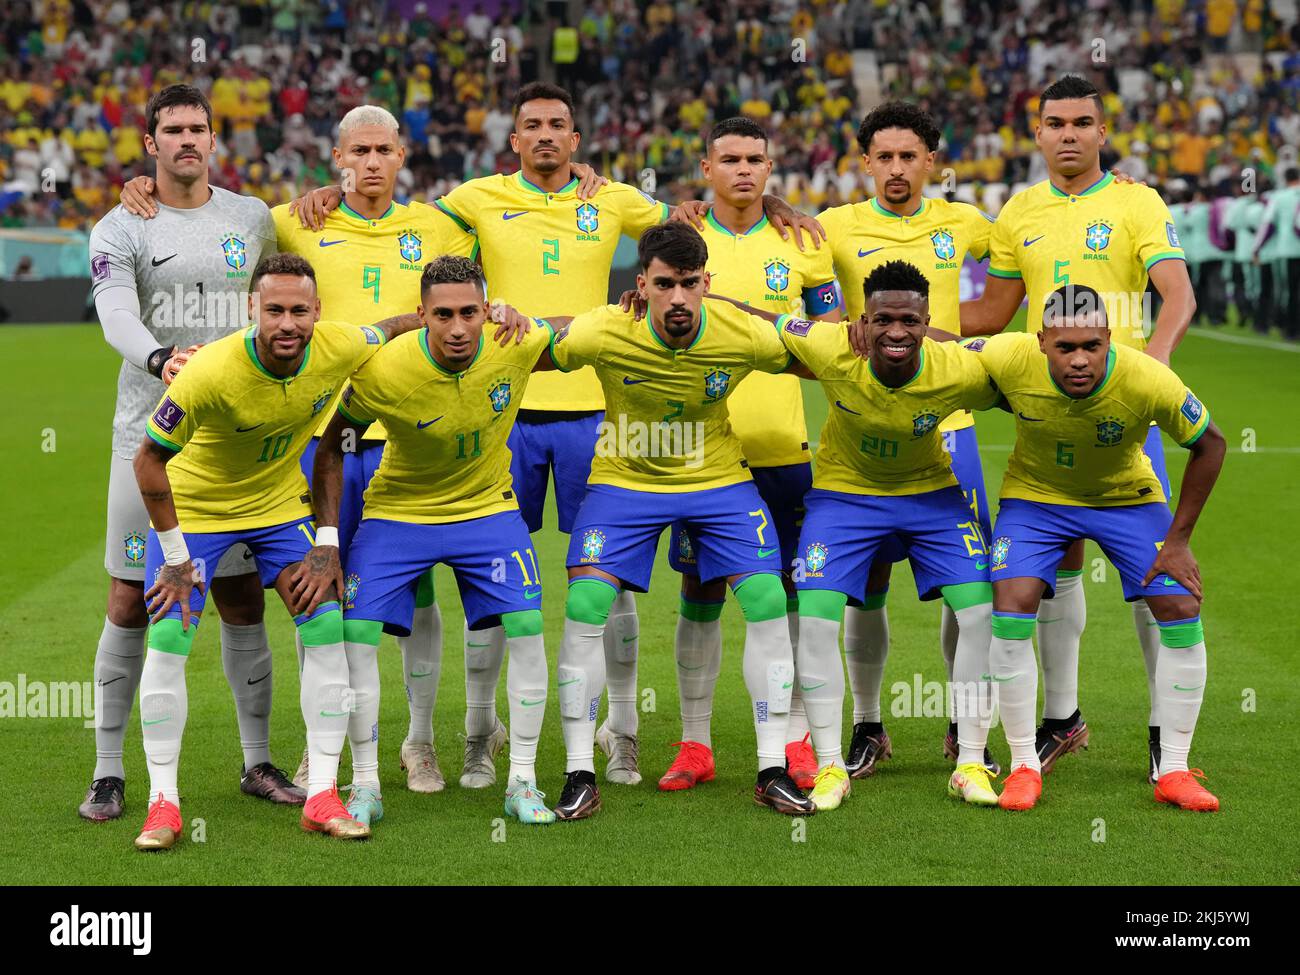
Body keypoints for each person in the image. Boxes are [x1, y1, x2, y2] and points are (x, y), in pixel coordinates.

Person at [130, 252, 419, 849]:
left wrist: (486, 313)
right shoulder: (209, 372)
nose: (287, 323)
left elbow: (392, 327)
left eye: (299, 310)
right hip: (199, 509)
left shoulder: (340, 344)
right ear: (251, 310)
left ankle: (323, 795)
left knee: (326, 625)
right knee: (169, 635)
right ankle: (164, 804)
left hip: (279, 507)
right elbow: (148, 460)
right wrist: (177, 557)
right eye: (274, 310)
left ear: (318, 311)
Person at [961, 74, 1196, 782]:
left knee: (1154, 577)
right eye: (1055, 122)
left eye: (1082, 122)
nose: (1069, 133)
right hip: (1045, 416)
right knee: (1054, 566)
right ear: (1036, 133)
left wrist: (1153, 369)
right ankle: (1062, 719)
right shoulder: (1019, 211)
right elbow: (991, 315)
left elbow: (1178, 292)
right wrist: (894, 326)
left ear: (1102, 131)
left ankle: (1166, 739)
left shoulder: (1136, 201)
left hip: (1122, 416)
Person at [542, 222, 816, 820]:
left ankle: (770, 766)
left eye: (690, 284)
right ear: (640, 285)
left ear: (706, 284)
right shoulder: (606, 328)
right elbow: (529, 350)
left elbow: (822, 354)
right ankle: (578, 771)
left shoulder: (739, 330)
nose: (678, 299)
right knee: (587, 605)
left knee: (768, 596)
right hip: (624, 480)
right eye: (664, 285)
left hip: (716, 479)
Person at [84, 84, 293, 824]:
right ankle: (110, 772)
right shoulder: (119, 225)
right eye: (171, 129)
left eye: (197, 128)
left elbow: (287, 290)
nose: (186, 140)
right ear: (150, 141)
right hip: (147, 440)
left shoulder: (251, 216)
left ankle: (257, 760)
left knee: (240, 599)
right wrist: (160, 356)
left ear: (214, 138)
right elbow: (113, 313)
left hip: (237, 446)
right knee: (129, 598)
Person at [309, 256, 561, 825]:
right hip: (399, 512)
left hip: (486, 509)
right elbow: (332, 447)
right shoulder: (384, 371)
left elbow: (574, 332)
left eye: (469, 313)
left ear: (487, 310)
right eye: (441, 314)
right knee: (356, 632)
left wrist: (634, 308)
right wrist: (328, 537)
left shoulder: (513, 341)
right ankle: (367, 781)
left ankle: (522, 779)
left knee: (525, 625)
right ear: (420, 315)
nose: (456, 328)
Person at [968, 283, 1225, 813]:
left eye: (1092, 345)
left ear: (1110, 338)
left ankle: (1173, 769)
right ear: (1040, 343)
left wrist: (1177, 541)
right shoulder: (1007, 354)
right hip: (1036, 498)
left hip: (1125, 497)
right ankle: (1023, 766)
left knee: (1180, 605)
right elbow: (939, 349)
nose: (1080, 359)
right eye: (1065, 348)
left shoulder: (1149, 378)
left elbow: (1211, 444)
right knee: (1010, 605)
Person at [655, 116, 843, 794]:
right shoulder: (681, 241)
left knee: (788, 597)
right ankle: (695, 743)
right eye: (728, 158)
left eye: (754, 159)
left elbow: (830, 347)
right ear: (705, 168)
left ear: (771, 169)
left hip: (782, 448)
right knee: (701, 591)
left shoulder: (803, 243)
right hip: (702, 456)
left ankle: (793, 739)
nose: (742, 169)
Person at [818, 101, 1000, 780]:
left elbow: (1024, 264)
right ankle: (868, 724)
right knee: (865, 586)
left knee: (967, 584)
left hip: (950, 430)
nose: (897, 169)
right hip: (862, 435)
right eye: (883, 157)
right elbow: (798, 291)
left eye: (909, 156)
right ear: (864, 162)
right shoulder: (831, 227)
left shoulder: (967, 223)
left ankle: (964, 722)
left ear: (933, 161)